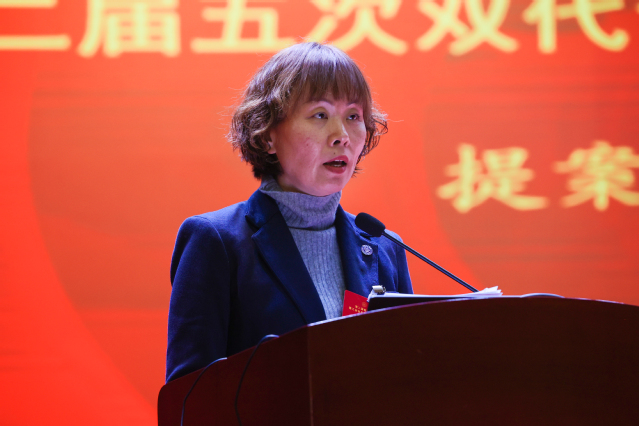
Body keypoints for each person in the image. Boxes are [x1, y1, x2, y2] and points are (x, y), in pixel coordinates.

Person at [166, 42, 412, 382]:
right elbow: (188, 395)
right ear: (267, 134)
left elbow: (408, 379)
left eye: (354, 116)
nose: (341, 136)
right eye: (320, 115)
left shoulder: (385, 248)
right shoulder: (217, 242)